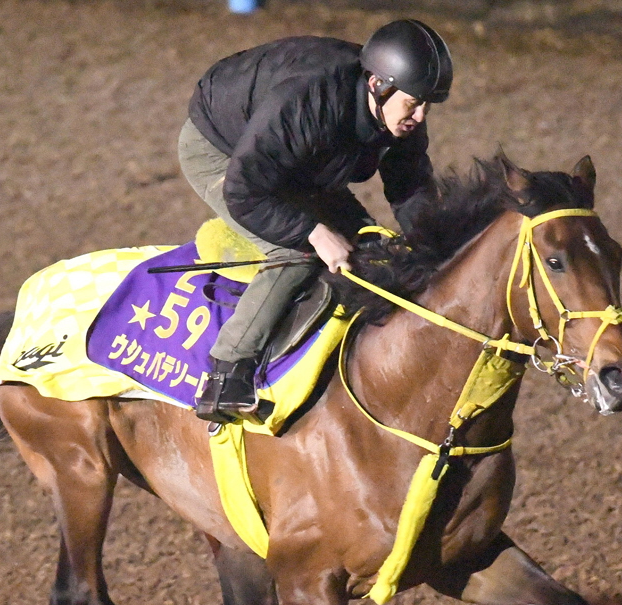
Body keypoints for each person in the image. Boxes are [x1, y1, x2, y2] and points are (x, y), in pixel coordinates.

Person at [178, 19, 454, 422]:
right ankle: (226, 373)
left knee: (371, 248)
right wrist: (314, 232)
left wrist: (435, 245)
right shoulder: (308, 101)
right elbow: (246, 190)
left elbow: (410, 185)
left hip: (300, 158)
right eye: (414, 103)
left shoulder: (400, 110)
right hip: (227, 155)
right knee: (295, 252)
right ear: (378, 85)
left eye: (428, 105)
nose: (420, 115)